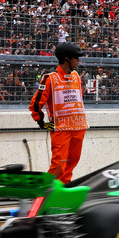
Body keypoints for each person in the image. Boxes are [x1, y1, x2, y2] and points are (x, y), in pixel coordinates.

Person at [29, 42, 89, 184]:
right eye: (76, 58)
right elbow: (36, 104)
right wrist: (42, 122)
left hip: (79, 128)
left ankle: (62, 193)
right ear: (67, 59)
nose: (79, 60)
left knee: (71, 164)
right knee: (58, 166)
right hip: (60, 129)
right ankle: (44, 197)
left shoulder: (77, 77)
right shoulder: (50, 78)